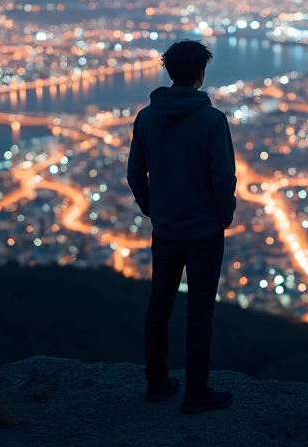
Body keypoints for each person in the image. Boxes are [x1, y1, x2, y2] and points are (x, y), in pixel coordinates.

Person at [127, 39, 237, 414]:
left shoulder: (145, 118)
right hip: (204, 232)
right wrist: (224, 215)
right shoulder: (212, 121)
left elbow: (135, 175)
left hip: (165, 231)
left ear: (169, 72)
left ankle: (156, 383)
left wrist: (153, 210)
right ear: (200, 75)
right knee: (200, 312)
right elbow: (223, 178)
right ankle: (196, 392)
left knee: (159, 305)